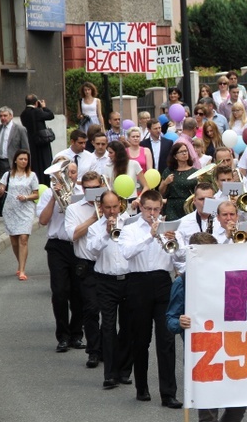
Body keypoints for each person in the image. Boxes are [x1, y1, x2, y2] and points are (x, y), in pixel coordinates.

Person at [166, 231, 247, 422]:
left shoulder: (229, 277)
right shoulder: (183, 283)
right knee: (208, 413)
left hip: (232, 351)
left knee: (239, 405)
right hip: (203, 355)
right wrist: (179, 322)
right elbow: (171, 319)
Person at [118, 189, 183, 408]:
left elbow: (180, 257)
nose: (152, 213)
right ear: (140, 207)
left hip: (163, 283)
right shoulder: (131, 229)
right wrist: (150, 236)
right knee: (141, 339)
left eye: (156, 209)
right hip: (138, 283)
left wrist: (176, 243)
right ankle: (142, 387)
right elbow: (126, 253)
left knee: (166, 341)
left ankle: (168, 393)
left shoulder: (170, 228)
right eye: (148, 209)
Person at [86, 189, 134, 389]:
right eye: (108, 207)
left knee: (128, 328)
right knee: (107, 326)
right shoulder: (96, 228)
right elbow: (91, 250)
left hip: (129, 279)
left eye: (115, 206)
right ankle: (110, 374)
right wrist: (106, 233)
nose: (112, 211)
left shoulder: (130, 224)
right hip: (105, 281)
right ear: (101, 208)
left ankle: (124, 371)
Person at [37, 159, 84, 352]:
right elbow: (43, 220)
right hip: (57, 246)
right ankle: (63, 336)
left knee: (79, 293)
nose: (70, 176)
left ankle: (76, 335)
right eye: (66, 172)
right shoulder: (49, 193)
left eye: (73, 172)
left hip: (78, 245)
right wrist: (54, 198)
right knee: (59, 292)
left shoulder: (82, 194)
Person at [64, 171, 104, 368]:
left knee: (110, 310)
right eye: (88, 189)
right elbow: (73, 234)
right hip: (86, 265)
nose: (92, 192)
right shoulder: (74, 209)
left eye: (96, 188)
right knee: (91, 309)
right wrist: (94, 218)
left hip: (107, 265)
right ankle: (94, 350)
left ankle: (106, 348)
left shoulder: (112, 204)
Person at [0, 149, 39, 280]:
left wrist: (26, 197)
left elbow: (36, 194)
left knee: (24, 238)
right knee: (14, 241)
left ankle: (22, 270)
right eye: (21, 159)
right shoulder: (8, 175)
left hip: (26, 210)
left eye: (26, 159)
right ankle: (20, 263)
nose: (24, 161)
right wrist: (0, 191)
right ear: (15, 160)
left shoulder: (32, 175)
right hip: (10, 210)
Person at [20, 94, 55, 183]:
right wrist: (44, 107)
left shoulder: (23, 114)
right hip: (42, 141)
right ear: (36, 102)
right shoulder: (37, 111)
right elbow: (50, 115)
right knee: (45, 162)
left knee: (36, 164)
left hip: (31, 141)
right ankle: (46, 182)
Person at [160, 141, 198, 221]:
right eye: (181, 152)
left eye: (185, 151)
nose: (184, 154)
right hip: (172, 207)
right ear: (175, 156)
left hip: (189, 206)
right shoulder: (168, 171)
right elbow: (161, 191)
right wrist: (165, 183)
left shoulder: (195, 172)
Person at [104, 140, 149, 207]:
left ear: (118, 153)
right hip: (115, 204)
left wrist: (138, 199)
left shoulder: (134, 164)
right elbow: (106, 188)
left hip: (132, 203)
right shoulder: (107, 167)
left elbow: (146, 186)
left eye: (111, 153)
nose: (108, 155)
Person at [0, 106, 29, 178]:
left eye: (5, 116)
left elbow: (25, 149)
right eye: (1, 116)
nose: (3, 118)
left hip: (14, 162)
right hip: (1, 163)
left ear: (11, 116)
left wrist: (26, 165)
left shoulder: (20, 129)